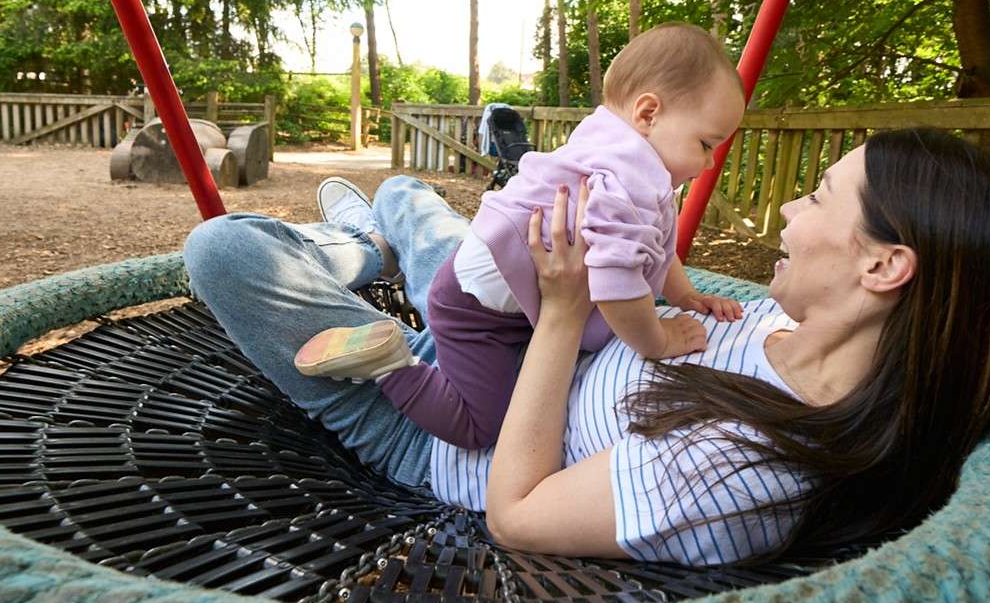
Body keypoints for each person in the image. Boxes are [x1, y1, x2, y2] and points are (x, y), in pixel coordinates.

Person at [183, 127, 990, 565]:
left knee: (222, 250)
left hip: (441, 430)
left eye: (817, 195)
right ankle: (370, 238)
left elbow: (516, 516)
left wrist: (557, 312)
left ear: (883, 265)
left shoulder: (750, 465)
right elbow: (641, 294)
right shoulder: (780, 330)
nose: (792, 216)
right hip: (508, 342)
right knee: (414, 196)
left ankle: (349, 252)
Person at [294, 22, 747, 450]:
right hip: (476, 312)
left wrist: (686, 296)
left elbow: (656, 245)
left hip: (503, 280)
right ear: (648, 113)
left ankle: (377, 237)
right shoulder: (625, 181)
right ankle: (389, 363)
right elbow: (617, 284)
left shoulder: (620, 151)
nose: (708, 164)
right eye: (706, 144)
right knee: (480, 426)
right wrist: (659, 340)